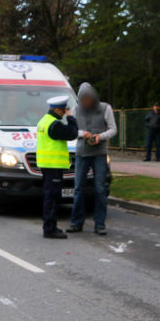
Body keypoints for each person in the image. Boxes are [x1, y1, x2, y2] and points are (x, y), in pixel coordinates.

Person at [68, 83, 117, 236]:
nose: (87, 102)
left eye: (89, 99)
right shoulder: (76, 110)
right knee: (78, 189)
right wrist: (84, 134)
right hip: (82, 153)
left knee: (100, 189)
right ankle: (76, 223)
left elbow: (113, 129)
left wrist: (100, 137)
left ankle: (100, 224)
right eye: (84, 99)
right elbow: (72, 131)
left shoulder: (105, 108)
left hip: (99, 153)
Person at [36, 95, 78, 239]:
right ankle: (49, 229)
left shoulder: (43, 121)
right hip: (53, 165)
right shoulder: (55, 125)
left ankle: (50, 226)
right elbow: (72, 133)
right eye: (64, 110)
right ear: (60, 110)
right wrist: (71, 117)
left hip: (46, 165)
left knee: (49, 196)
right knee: (53, 198)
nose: (65, 113)